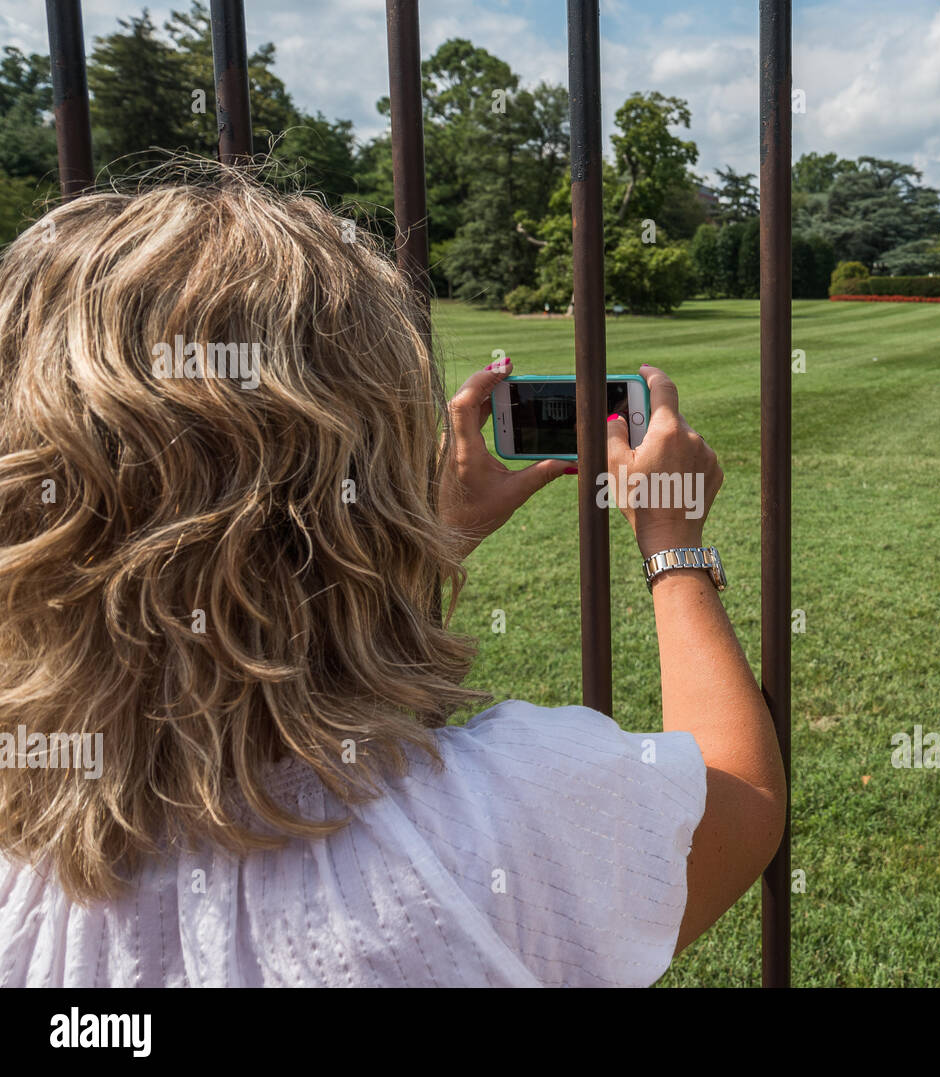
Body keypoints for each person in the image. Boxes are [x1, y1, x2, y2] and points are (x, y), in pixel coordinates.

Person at [0, 169, 786, 987]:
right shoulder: (494, 829)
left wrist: (427, 539)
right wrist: (672, 539)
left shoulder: (24, 890)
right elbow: (740, 796)